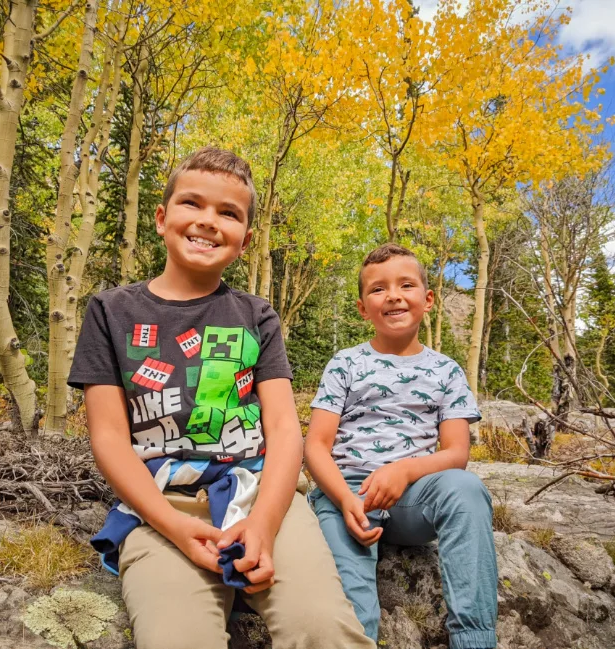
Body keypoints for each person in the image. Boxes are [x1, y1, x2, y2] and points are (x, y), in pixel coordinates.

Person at [68, 147, 373, 649]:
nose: (208, 221)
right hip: (159, 507)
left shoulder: (256, 315)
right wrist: (175, 528)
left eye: (228, 213)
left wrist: (265, 525)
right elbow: (108, 438)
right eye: (192, 204)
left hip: (258, 493)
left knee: (322, 628)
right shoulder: (110, 311)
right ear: (162, 218)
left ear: (245, 240)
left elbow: (282, 432)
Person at [304, 242, 498, 649]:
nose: (392, 295)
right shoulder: (345, 363)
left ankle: (475, 639)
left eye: (405, 285)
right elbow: (316, 447)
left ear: (427, 300)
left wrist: (404, 470)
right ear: (362, 308)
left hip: (414, 497)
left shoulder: (446, 370)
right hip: (349, 496)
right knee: (352, 596)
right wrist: (343, 498)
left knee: (467, 491)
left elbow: (456, 454)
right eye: (378, 289)